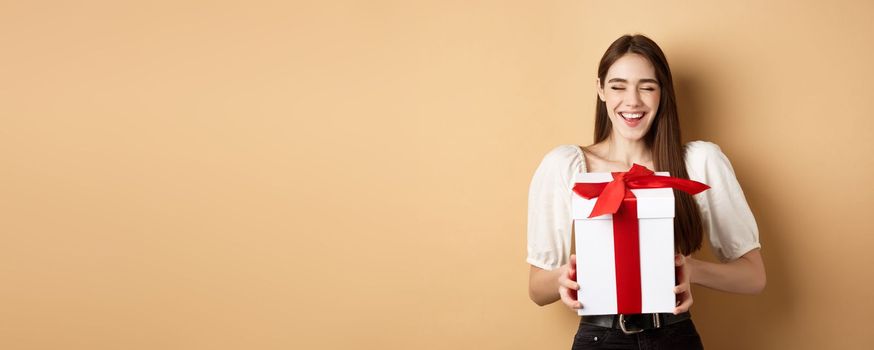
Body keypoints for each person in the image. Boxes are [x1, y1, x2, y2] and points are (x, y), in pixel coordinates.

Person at [526, 34, 766, 349]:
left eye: (647, 87)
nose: (633, 101)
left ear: (662, 93)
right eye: (618, 86)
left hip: (674, 336)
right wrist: (564, 276)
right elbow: (536, 289)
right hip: (599, 338)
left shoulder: (697, 162)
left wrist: (689, 269)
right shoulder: (566, 165)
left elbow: (753, 277)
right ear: (600, 90)